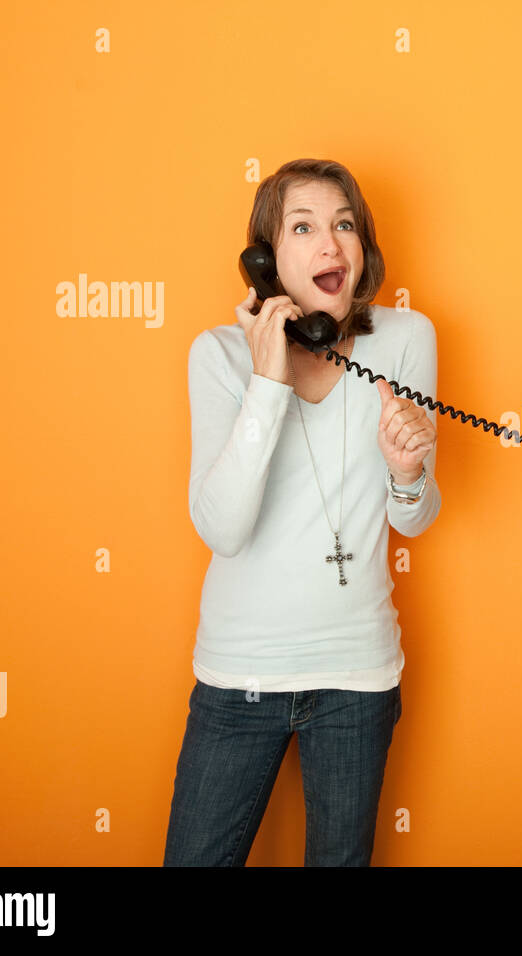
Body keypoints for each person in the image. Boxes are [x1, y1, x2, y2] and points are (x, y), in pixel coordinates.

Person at [163, 159, 441, 866]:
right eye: (304, 226)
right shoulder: (218, 356)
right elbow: (223, 528)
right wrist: (267, 381)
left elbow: (411, 518)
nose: (331, 245)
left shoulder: (406, 341)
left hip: (356, 676)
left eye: (345, 225)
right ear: (265, 261)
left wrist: (407, 473)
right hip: (241, 675)